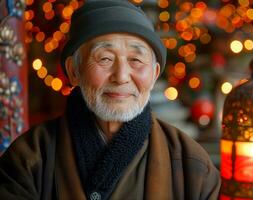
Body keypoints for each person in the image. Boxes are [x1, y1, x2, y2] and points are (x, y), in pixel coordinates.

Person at [0, 0, 221, 199]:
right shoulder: (29, 156)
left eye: (136, 60)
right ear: (73, 71)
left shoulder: (191, 163)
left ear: (154, 74)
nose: (122, 76)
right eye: (105, 58)